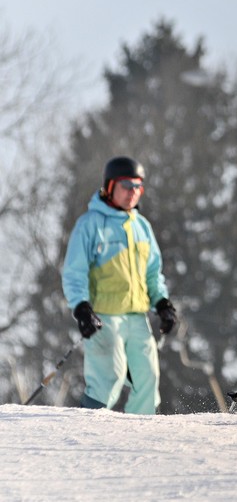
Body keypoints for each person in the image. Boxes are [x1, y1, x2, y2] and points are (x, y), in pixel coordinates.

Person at [62, 156, 177, 414]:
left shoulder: (141, 227)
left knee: (148, 378)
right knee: (109, 378)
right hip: (104, 317)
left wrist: (162, 303)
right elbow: (74, 272)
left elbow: (152, 273)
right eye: (126, 186)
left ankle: (140, 437)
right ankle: (86, 431)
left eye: (138, 187)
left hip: (137, 317)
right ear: (109, 186)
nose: (132, 193)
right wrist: (81, 308)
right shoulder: (90, 225)